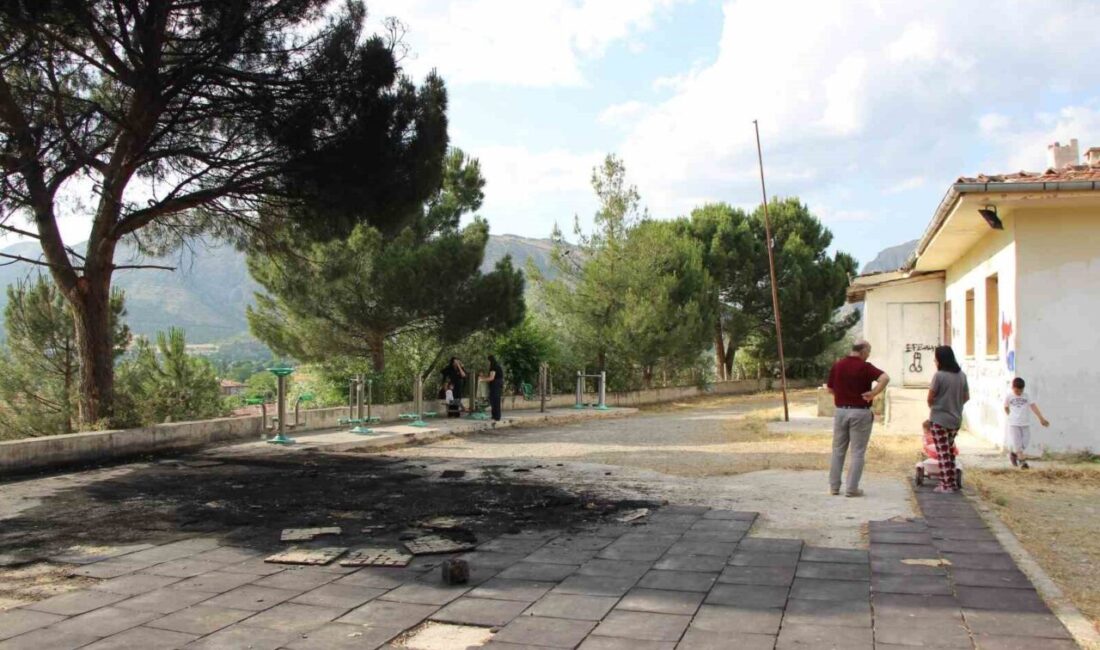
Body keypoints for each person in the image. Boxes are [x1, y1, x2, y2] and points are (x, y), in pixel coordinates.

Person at [827, 340, 890, 497]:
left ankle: (834, 487)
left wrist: (842, 396)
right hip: (860, 412)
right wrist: (873, 393)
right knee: (857, 452)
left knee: (838, 450)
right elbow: (885, 378)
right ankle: (851, 488)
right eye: (868, 352)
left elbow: (830, 388)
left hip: (841, 411)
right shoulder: (865, 367)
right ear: (863, 351)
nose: (868, 355)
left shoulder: (838, 365)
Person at [927, 345, 969, 493]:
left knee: (942, 452)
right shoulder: (961, 375)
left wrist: (936, 406)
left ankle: (946, 484)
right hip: (955, 419)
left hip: (939, 418)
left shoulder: (939, 376)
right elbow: (966, 397)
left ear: (940, 359)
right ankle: (951, 482)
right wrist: (955, 405)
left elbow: (930, 397)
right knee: (949, 451)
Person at [1004, 377, 1050, 469]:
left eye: (1020, 391)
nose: (1019, 393)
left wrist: (1041, 418)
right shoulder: (1009, 396)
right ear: (1012, 388)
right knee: (1017, 443)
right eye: (1016, 391)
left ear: (1023, 389)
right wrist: (1010, 415)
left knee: (1025, 442)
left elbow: (1033, 407)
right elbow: (1005, 407)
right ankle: (1022, 462)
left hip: (1025, 423)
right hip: (1014, 424)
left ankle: (1014, 454)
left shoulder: (1026, 396)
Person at [479, 354, 505, 422]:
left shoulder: (494, 367)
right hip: (496, 384)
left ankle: (496, 416)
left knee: (495, 400)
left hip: (496, 385)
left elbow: (491, 378)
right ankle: (494, 416)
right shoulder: (495, 366)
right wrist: (483, 377)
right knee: (493, 400)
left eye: (487, 361)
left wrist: (482, 380)